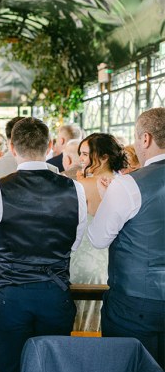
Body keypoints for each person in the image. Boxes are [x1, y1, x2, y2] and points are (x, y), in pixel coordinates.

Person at [0, 117, 87, 372]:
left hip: (10, 297)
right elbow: (74, 243)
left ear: (12, 147)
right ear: (48, 147)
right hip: (55, 293)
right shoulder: (74, 188)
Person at [88, 107, 165, 369]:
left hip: (136, 304)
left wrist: (105, 201)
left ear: (146, 139)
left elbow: (98, 238)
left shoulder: (129, 184)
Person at [69, 134, 127, 333]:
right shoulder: (126, 186)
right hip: (114, 267)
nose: (81, 160)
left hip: (80, 265)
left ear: (103, 157)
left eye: (85, 154)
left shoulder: (79, 187)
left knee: (77, 326)